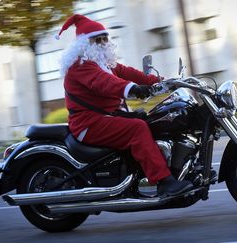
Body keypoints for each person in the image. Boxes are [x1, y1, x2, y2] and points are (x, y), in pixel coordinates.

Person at [56, 14, 192, 197]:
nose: (103, 42)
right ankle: (163, 182)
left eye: (105, 38)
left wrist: (163, 82)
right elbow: (104, 82)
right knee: (137, 128)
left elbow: (128, 72)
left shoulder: (104, 63)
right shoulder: (80, 65)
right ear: (84, 43)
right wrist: (133, 89)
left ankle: (146, 172)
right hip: (88, 123)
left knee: (153, 119)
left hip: (107, 117)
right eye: (98, 39)